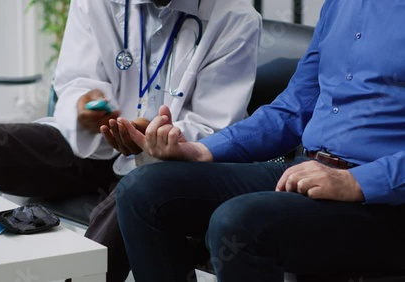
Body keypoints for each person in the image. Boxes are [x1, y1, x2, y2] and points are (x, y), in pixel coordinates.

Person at [0, 0, 261, 281]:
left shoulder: (234, 18)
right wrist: (84, 105)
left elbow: (214, 125)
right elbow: (75, 78)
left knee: (136, 192)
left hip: (161, 162)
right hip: (93, 141)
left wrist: (161, 137)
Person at [114, 1, 405, 281]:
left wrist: (354, 182)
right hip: (311, 170)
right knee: (143, 189)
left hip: (385, 202)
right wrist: (201, 150)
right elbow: (293, 108)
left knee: (238, 223)